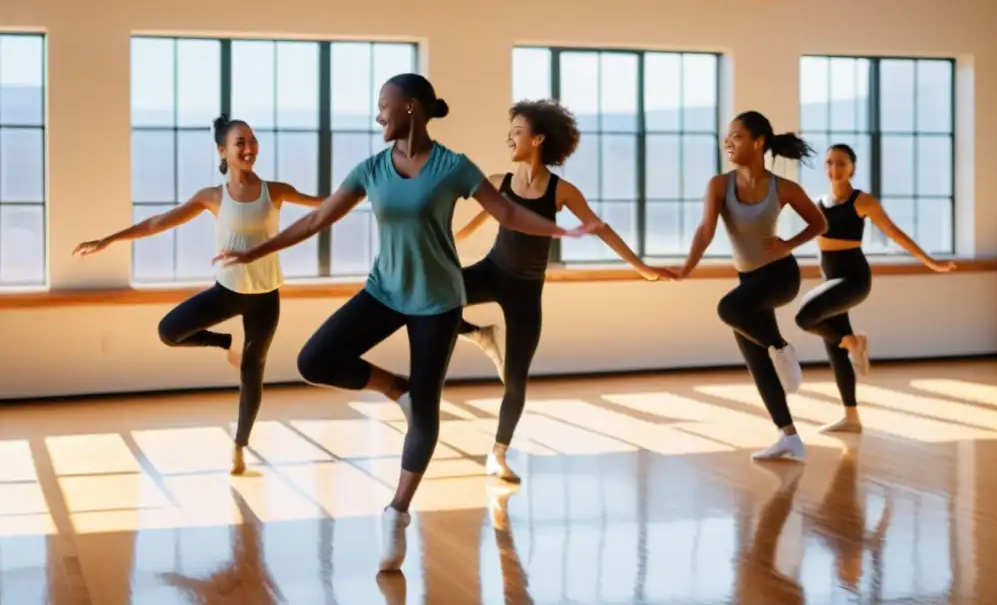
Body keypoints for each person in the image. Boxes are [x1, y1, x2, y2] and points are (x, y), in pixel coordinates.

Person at [213, 74, 597, 572]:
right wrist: (256, 249)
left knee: (429, 409)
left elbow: (505, 211)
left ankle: (396, 512)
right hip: (384, 292)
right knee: (315, 359)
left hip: (438, 302)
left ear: (411, 108)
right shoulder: (372, 169)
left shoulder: (453, 167)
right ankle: (399, 391)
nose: (378, 115)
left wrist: (560, 227)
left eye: (383, 106)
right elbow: (317, 219)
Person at [73, 116, 322, 475]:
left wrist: (371, 189)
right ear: (222, 150)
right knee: (169, 332)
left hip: (266, 297)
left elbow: (324, 204)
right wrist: (109, 239)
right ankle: (224, 343)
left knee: (253, 372)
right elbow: (159, 222)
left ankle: (240, 445)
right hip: (228, 292)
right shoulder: (213, 197)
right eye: (240, 142)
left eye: (253, 141)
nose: (249, 148)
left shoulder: (276, 190)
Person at [454, 99, 675, 482]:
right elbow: (472, 226)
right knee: (426, 297)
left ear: (538, 139)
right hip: (491, 271)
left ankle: (498, 454)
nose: (509, 138)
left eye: (517, 132)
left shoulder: (561, 191)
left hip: (525, 291)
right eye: (509, 132)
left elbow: (599, 228)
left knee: (516, 379)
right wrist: (438, 245)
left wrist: (642, 268)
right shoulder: (497, 183)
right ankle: (479, 335)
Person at [668, 111, 827, 461]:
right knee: (757, 362)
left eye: (737, 136)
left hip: (780, 277)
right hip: (749, 282)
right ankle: (789, 437)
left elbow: (819, 222)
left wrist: (789, 243)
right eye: (727, 136)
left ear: (758, 142)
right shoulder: (720, 185)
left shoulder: (782, 187)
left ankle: (782, 347)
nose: (728, 142)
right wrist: (686, 268)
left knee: (728, 309)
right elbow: (705, 231)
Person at [794, 143, 956, 433]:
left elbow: (895, 233)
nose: (835, 168)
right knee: (834, 346)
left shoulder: (862, 201)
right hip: (831, 281)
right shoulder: (818, 204)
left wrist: (931, 262)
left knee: (805, 316)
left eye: (841, 163)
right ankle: (851, 417)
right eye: (830, 162)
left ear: (852, 168)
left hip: (854, 280)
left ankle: (856, 342)